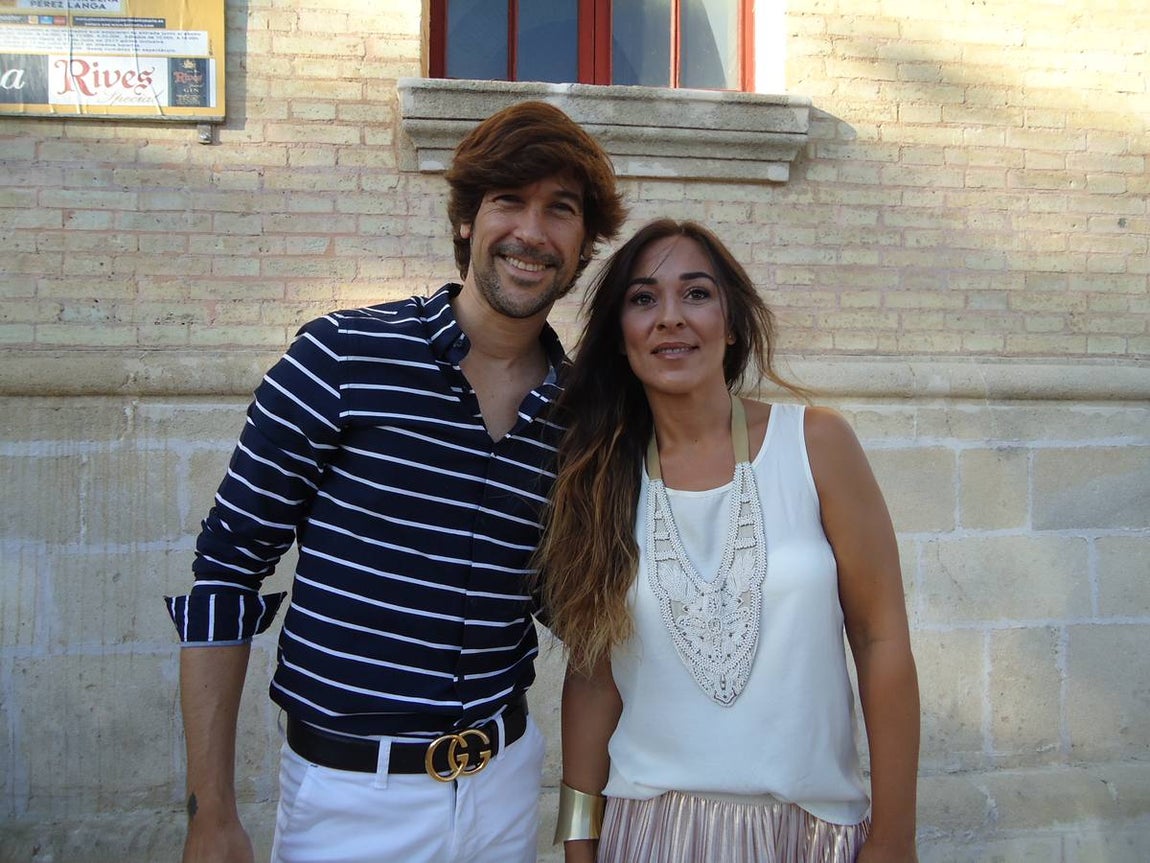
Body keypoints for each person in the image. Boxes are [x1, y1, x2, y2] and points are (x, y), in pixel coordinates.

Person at [165, 100, 626, 863]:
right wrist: (210, 813)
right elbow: (226, 569)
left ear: (583, 245)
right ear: (465, 222)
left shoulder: (581, 418)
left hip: (504, 792)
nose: (532, 231)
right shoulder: (340, 358)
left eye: (561, 210)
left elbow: (572, 609)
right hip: (348, 806)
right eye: (509, 199)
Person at [537, 219, 921, 863]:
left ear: (733, 321)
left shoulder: (818, 444)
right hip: (650, 834)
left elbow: (881, 641)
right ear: (621, 337)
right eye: (642, 299)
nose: (669, 318)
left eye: (696, 293)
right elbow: (594, 681)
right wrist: (579, 843)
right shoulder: (596, 479)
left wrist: (895, 838)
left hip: (812, 832)